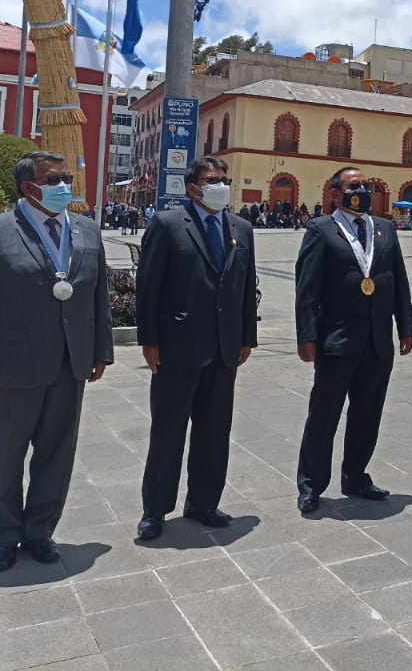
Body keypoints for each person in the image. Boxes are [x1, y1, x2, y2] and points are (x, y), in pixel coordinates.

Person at [0, 151, 113, 571]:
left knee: (57, 454)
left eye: (66, 177)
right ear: (29, 187)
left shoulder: (86, 230)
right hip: (14, 367)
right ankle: (6, 535)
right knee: (8, 457)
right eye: (54, 179)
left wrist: (100, 350)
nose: (65, 184)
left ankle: (40, 530)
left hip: (70, 363)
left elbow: (98, 297)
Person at [135, 156, 257, 540]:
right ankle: (155, 509)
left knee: (214, 431)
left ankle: (203, 502)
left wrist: (246, 336)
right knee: (168, 432)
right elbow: (148, 286)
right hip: (178, 346)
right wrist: (149, 340)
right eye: (212, 179)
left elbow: (244, 288)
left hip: (224, 348)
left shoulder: (241, 228)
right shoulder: (168, 224)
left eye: (224, 178)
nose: (221, 185)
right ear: (192, 188)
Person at [295, 166, 412, 513]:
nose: (360, 189)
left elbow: (398, 281)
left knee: (368, 412)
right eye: (353, 185)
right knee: (324, 414)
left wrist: (405, 326)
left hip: (378, 340)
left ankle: (356, 475)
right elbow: (307, 288)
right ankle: (311, 484)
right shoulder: (321, 229)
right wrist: (307, 335)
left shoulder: (385, 229)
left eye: (365, 185)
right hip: (337, 339)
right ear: (335, 192)